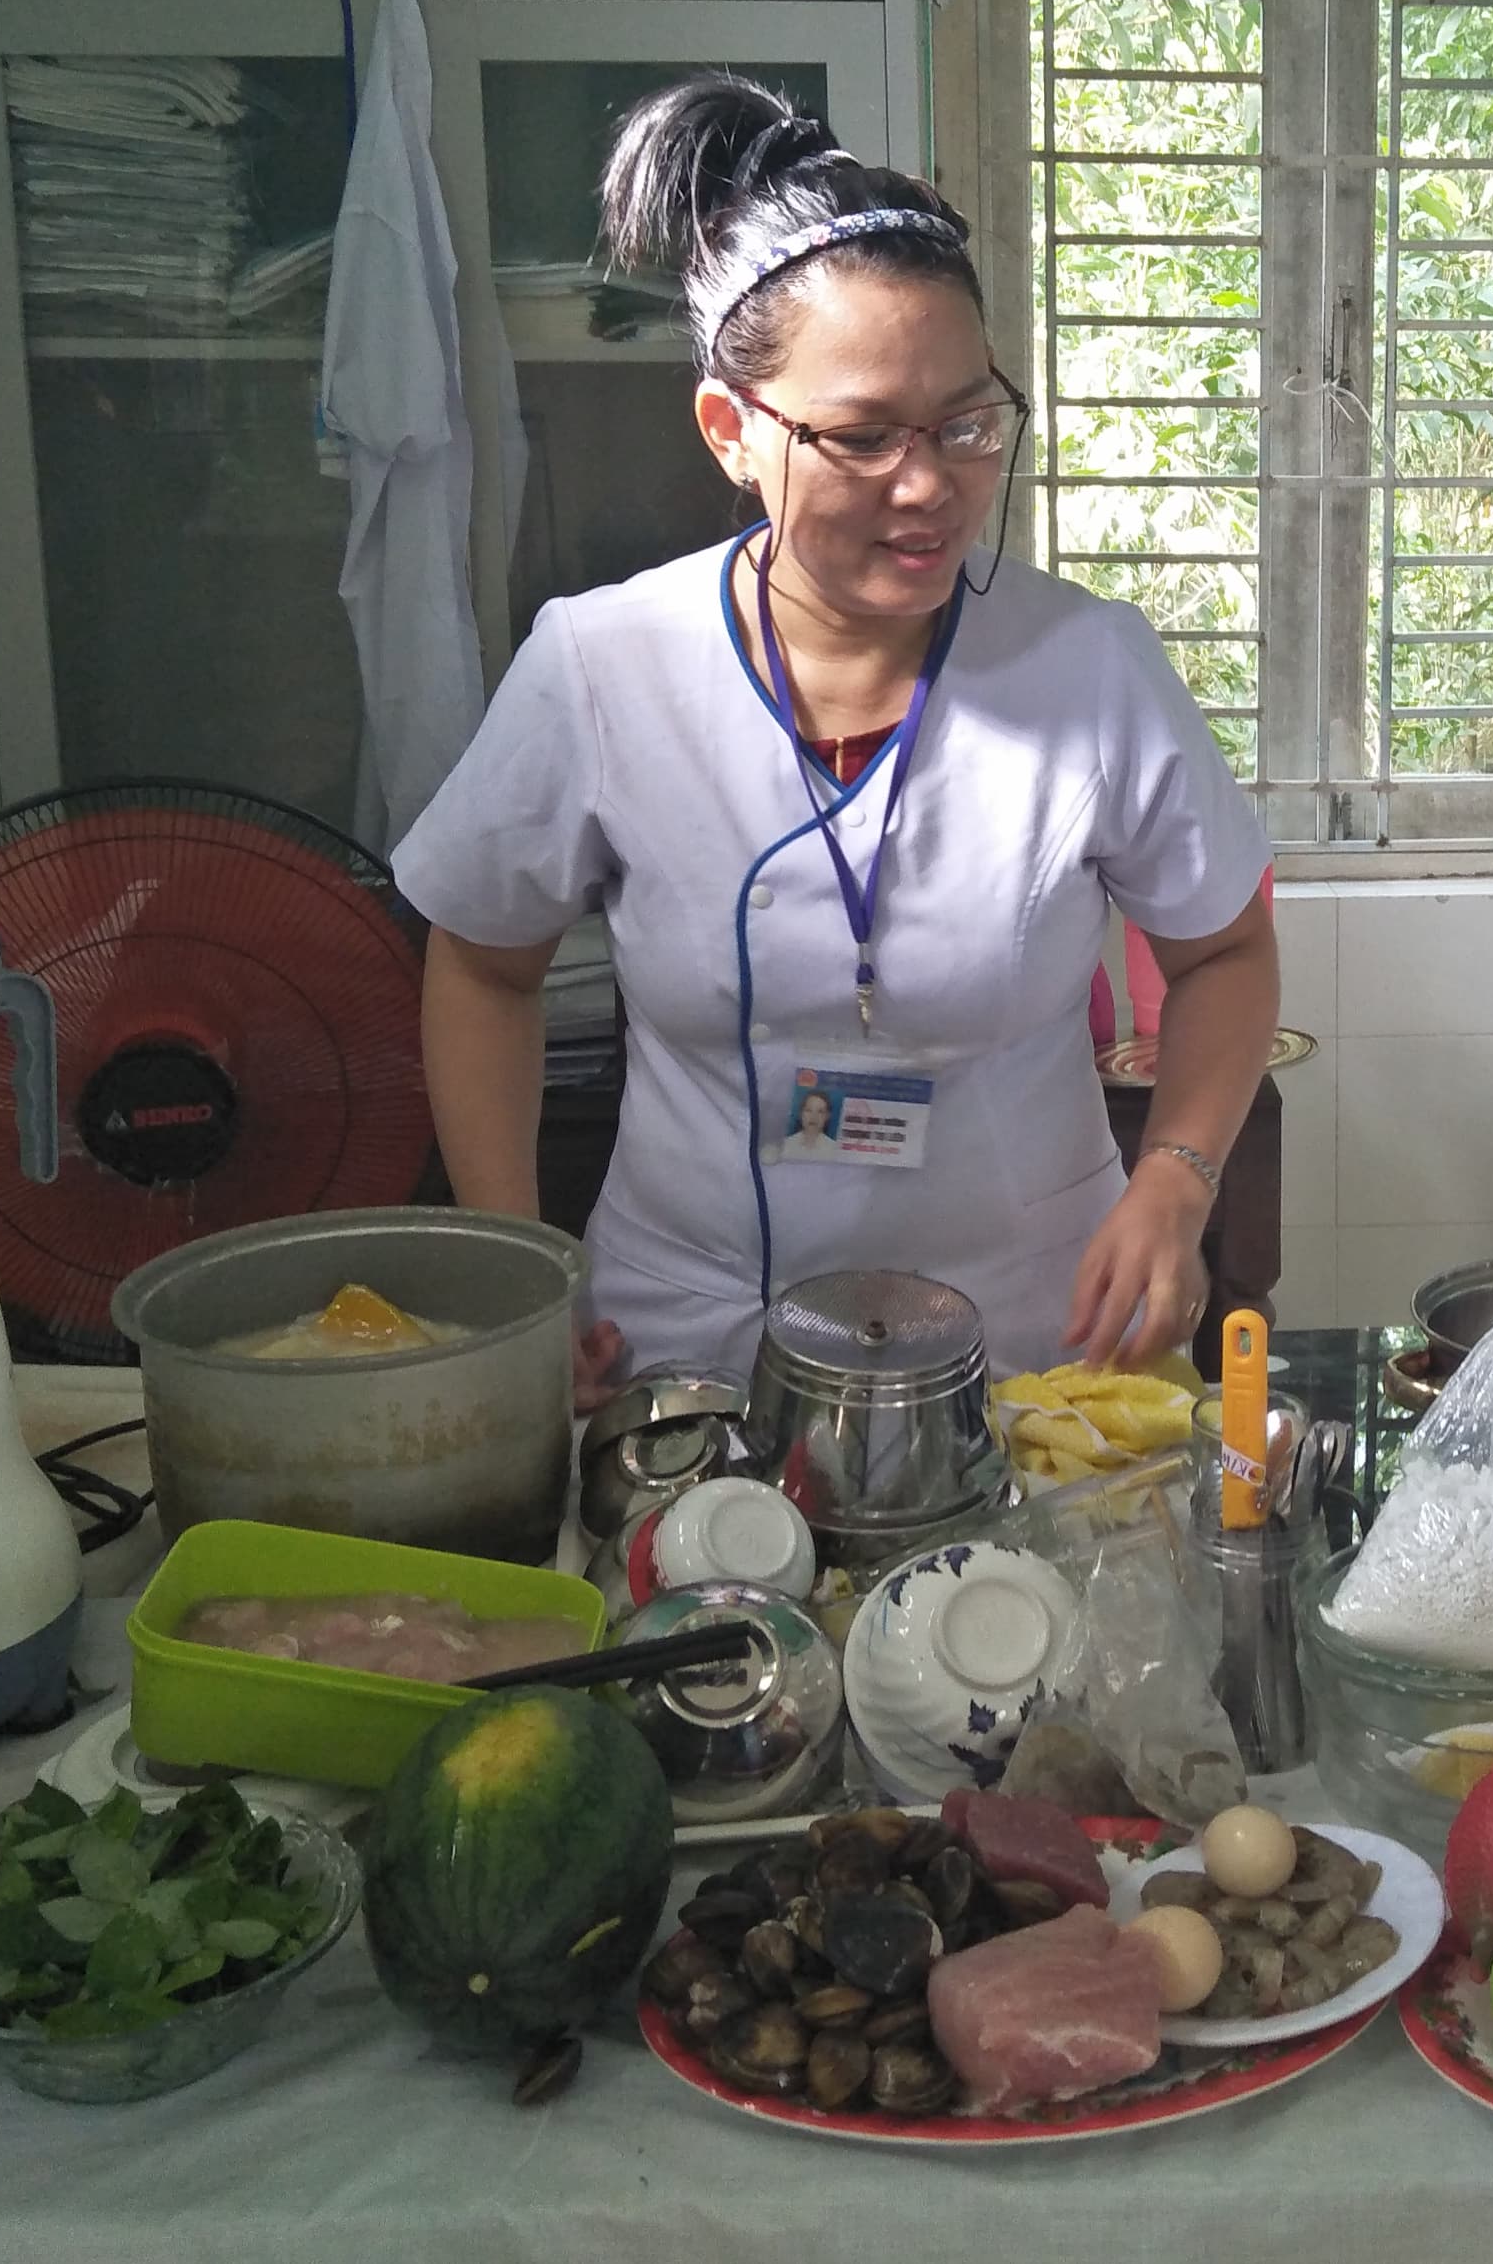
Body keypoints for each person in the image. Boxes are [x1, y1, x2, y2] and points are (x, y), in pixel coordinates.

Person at [394, 76, 1278, 1402]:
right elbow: (481, 963)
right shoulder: (602, 668)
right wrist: (524, 1262)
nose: (928, 486)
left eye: (968, 424)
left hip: (1034, 1334)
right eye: (862, 438)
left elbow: (1227, 952)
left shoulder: (1090, 669)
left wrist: (1177, 1176)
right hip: (692, 1343)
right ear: (731, 433)